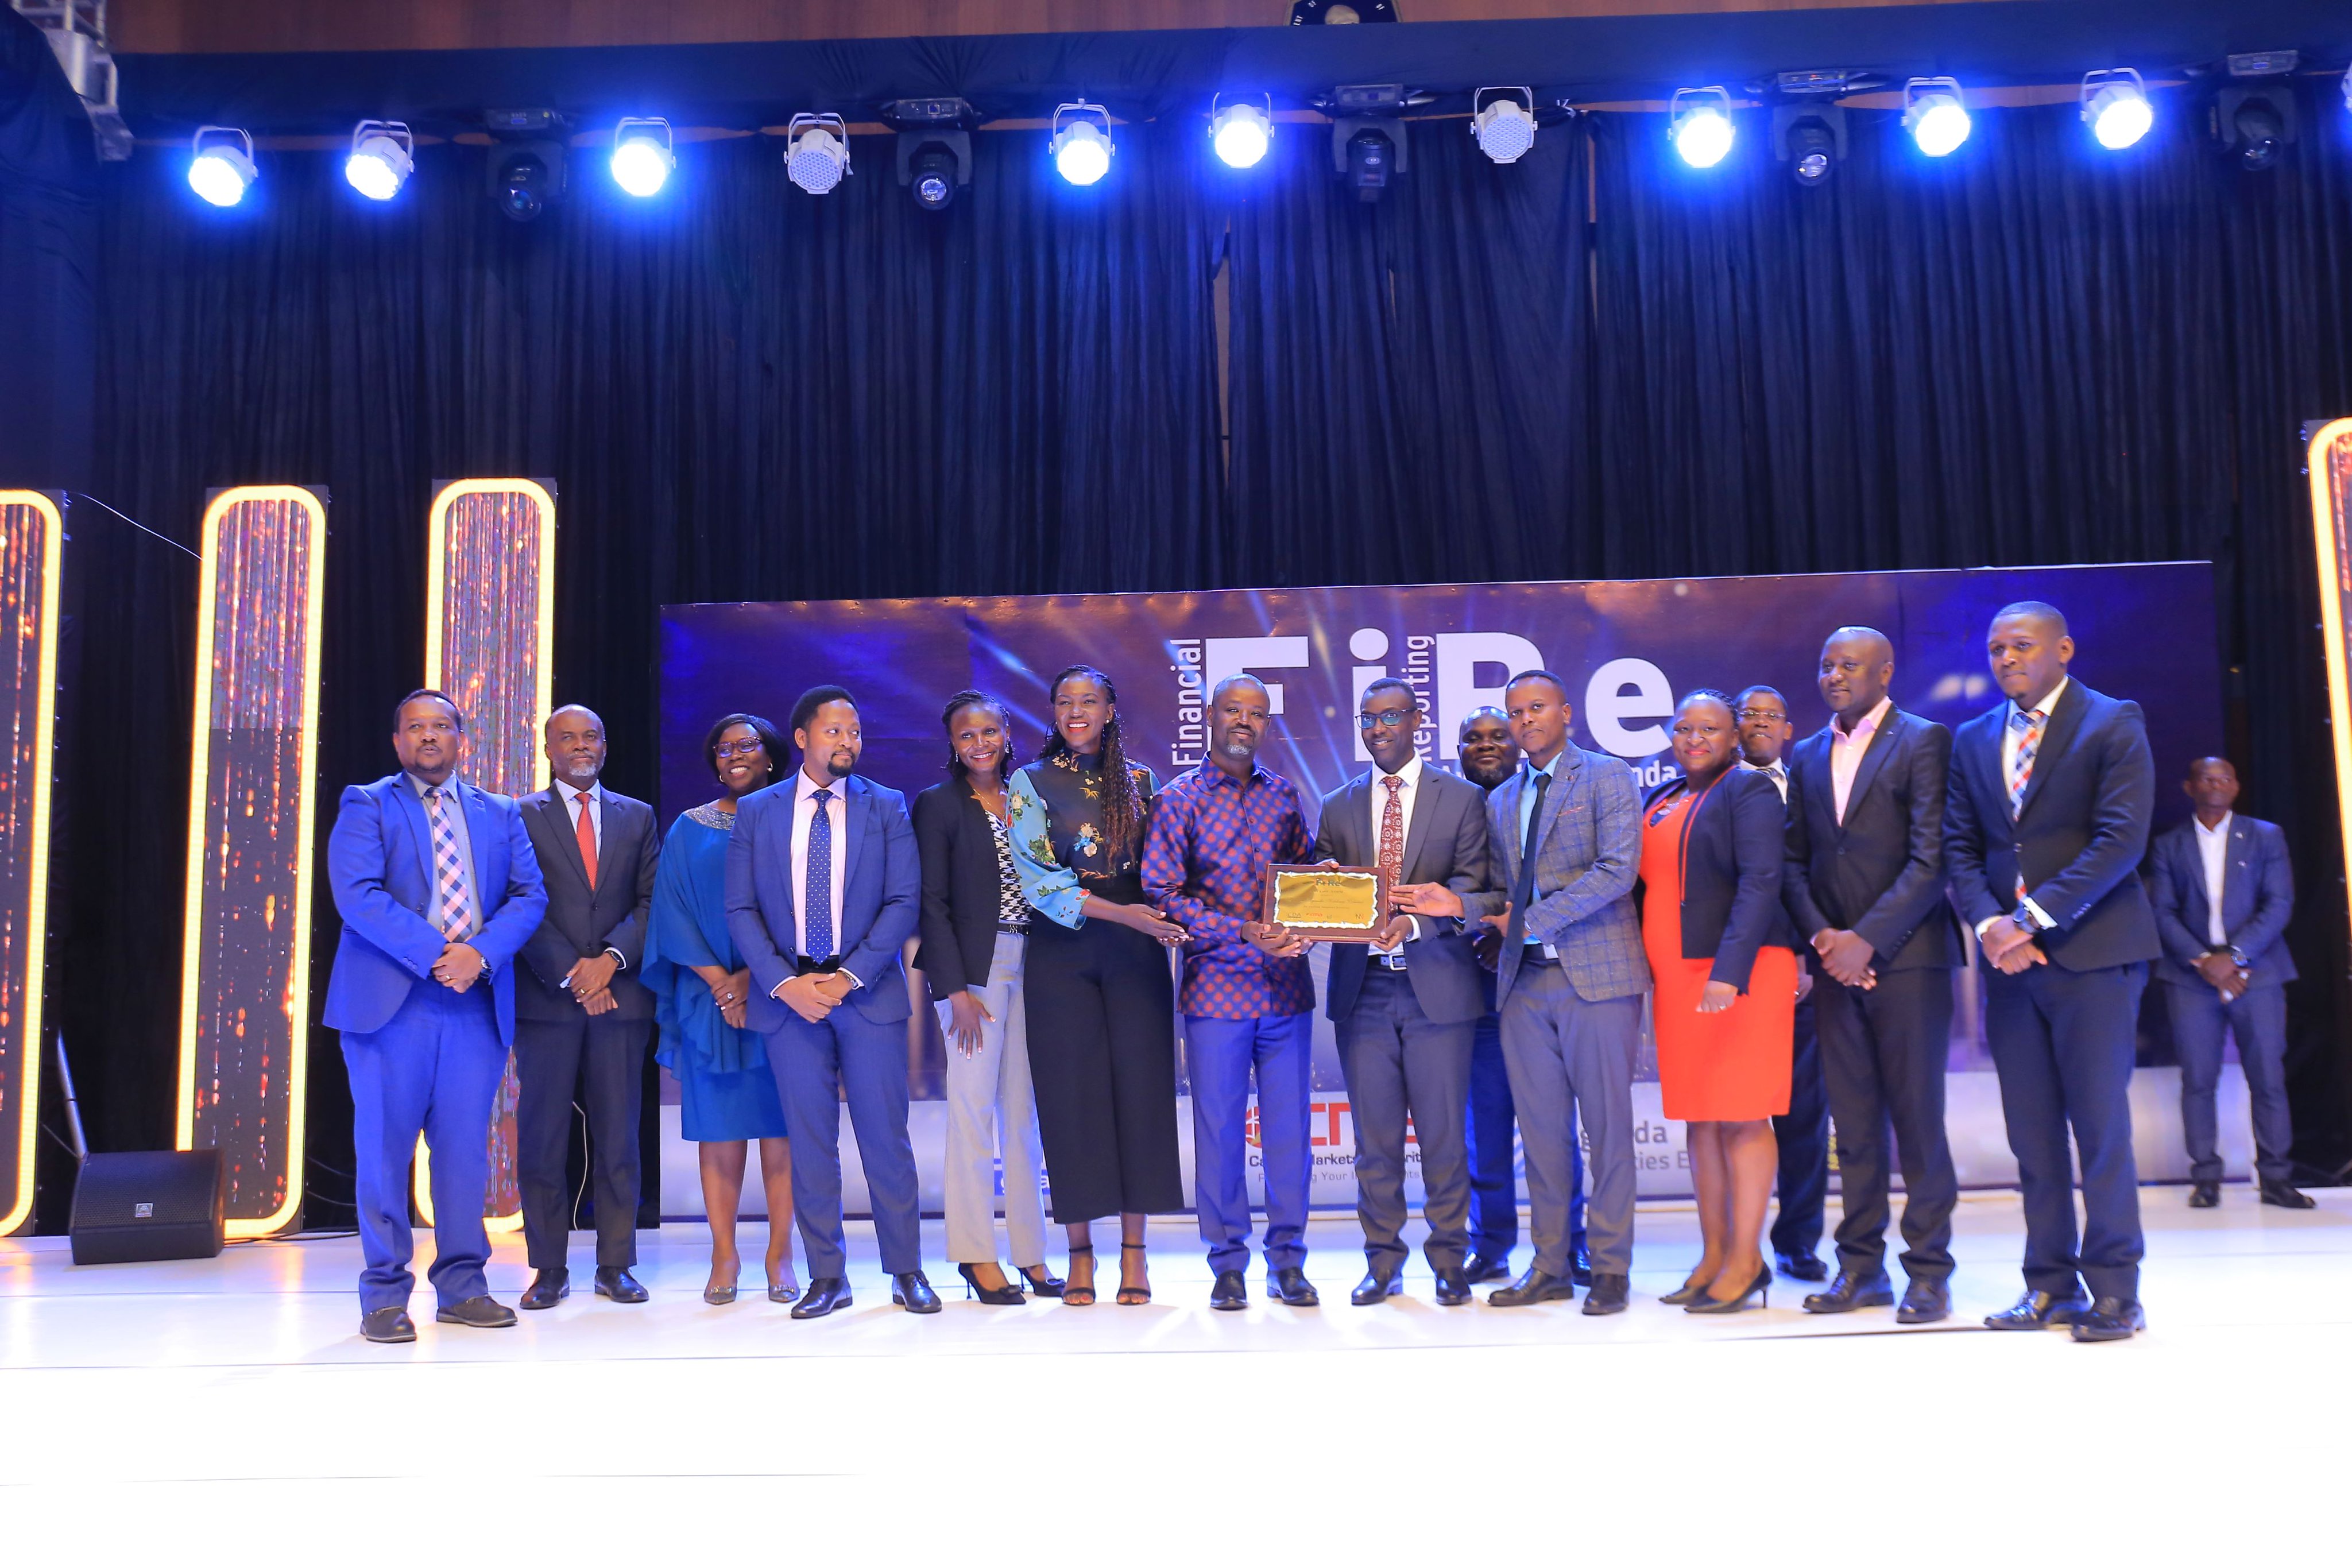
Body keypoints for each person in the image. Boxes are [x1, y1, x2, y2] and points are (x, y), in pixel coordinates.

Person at [1945, 601, 2159, 1342]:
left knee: (2099, 1130)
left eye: (2023, 645)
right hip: (2010, 967)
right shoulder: (1974, 738)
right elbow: (1960, 847)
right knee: (2032, 1136)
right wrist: (1991, 927)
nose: (2007, 657)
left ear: (2062, 648)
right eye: (1997, 647)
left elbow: (2120, 841)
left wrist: (2031, 920)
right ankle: (2049, 1286)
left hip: (2094, 956)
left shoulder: (2111, 721)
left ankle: (2114, 1292)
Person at [1413, 671, 1646, 1314]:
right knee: (1543, 1137)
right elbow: (1501, 894)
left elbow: (1615, 872)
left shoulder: (1606, 776)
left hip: (1597, 979)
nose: (1524, 720)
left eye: (1535, 707)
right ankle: (1549, 1266)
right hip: (1523, 985)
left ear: (1565, 712)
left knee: (1606, 1132)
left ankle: (1609, 1267)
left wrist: (1528, 921)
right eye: (1517, 712)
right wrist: (1453, 902)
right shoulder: (1501, 797)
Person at [323, 690, 548, 1344]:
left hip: (472, 1002)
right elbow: (357, 895)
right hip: (392, 1005)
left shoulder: (501, 811)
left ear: (461, 738)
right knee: (384, 1155)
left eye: (441, 726)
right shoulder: (367, 803)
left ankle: (463, 1286)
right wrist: (437, 954)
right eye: (416, 727)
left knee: (463, 1158)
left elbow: (528, 894)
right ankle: (385, 1296)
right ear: (398, 743)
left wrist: (477, 954)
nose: (429, 736)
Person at [725, 685, 934, 1318]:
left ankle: (906, 1271)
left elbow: (904, 901)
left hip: (865, 995)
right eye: (835, 731)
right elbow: (740, 908)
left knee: (885, 1139)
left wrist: (847, 978)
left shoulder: (886, 806)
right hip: (789, 1000)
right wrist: (786, 984)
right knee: (810, 1142)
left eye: (855, 732)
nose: (848, 741)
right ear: (803, 739)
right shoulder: (758, 811)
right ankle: (827, 1276)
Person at [1781, 630, 1964, 1323]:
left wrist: (1868, 940)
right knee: (1852, 1127)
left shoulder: (1924, 739)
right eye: (1826, 663)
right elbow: (1793, 859)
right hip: (1833, 964)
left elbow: (1931, 857)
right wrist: (1826, 938)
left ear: (1885, 672)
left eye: (1848, 665)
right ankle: (1860, 1268)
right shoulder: (1805, 753)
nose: (1833, 674)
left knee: (1917, 1124)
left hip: (1908, 960)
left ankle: (1927, 1273)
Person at [1008, 665, 1189, 1306]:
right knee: (1070, 1098)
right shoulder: (1028, 782)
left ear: (1111, 709)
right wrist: (1125, 913)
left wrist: (1159, 918)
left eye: (1089, 700)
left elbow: (1167, 870)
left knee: (1140, 1094)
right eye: (1065, 701)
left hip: (1136, 951)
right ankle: (1079, 1254)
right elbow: (1038, 881)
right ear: (1053, 711)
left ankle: (1134, 1255)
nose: (1076, 710)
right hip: (1064, 950)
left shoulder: (1142, 782)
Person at [1143, 675, 1321, 1311]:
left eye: (1257, 714)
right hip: (1216, 994)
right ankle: (1226, 1263)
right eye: (1233, 711)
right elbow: (1163, 895)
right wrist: (1244, 930)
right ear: (1209, 717)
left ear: (1266, 724)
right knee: (1220, 1132)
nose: (1244, 722)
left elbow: (1300, 881)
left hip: (1284, 994)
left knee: (1288, 1135)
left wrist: (1320, 898)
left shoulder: (1284, 796)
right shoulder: (1178, 800)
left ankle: (1289, 1262)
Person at [1314, 680, 1491, 1306]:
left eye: (1391, 716)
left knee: (1444, 1138)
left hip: (1437, 992)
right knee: (1374, 1144)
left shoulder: (1463, 799)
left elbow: (1479, 886)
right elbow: (1321, 891)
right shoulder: (1337, 804)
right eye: (1368, 717)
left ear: (1417, 720)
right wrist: (1322, 891)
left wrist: (1417, 921)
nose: (1379, 727)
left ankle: (1449, 1259)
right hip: (1361, 994)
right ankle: (1381, 1262)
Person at [1640, 691, 1800, 1315]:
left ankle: (1746, 1259)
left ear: (1734, 735)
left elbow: (1762, 881)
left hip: (1738, 976)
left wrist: (1727, 974)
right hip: (1677, 981)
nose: (1693, 738)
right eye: (1683, 727)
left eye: (1709, 727)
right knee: (1700, 1119)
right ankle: (1712, 1255)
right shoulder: (1663, 798)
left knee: (1742, 1116)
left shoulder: (1748, 790)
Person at [643, 714, 800, 1306]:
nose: (732, 754)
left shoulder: (796, 818)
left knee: (782, 1132)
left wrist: (752, 979)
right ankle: (724, 1252)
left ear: (771, 755)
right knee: (720, 1133)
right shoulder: (689, 828)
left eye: (746, 745)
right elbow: (672, 911)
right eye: (722, 747)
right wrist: (722, 984)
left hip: (782, 994)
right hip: (710, 1001)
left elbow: (803, 908)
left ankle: (781, 1254)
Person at [913, 691, 1061, 1306]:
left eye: (989, 731)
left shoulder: (1029, 797)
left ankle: (1031, 1252)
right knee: (973, 1114)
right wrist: (955, 990)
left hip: (1037, 964)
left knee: (1023, 1117)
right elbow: (931, 903)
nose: (979, 743)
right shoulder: (937, 805)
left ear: (1007, 733)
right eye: (965, 734)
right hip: (974, 972)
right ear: (952, 742)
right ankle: (976, 1255)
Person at [513, 704, 662, 1310]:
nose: (580, 746)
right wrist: (575, 971)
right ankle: (549, 1267)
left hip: (620, 1000)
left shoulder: (638, 815)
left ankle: (615, 1264)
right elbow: (518, 900)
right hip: (548, 1000)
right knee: (542, 1138)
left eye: (591, 736)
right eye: (567, 737)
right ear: (548, 748)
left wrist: (611, 961)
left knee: (618, 1136)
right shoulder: (517, 815)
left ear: (604, 745)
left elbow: (653, 901)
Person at [1454, 708, 1585, 1284]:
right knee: (1483, 1128)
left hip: (1538, 980)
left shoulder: (1537, 799)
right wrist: (1482, 936)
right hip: (1475, 994)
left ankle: (1572, 1243)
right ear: (1456, 749)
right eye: (1472, 738)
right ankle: (1491, 1243)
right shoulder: (1451, 806)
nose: (1485, 746)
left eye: (1496, 736)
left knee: (1553, 1125)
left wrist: (1513, 937)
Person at [2149, 757, 2310, 1209]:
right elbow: (2163, 912)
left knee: (2269, 1078)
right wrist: (2206, 961)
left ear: (2236, 786)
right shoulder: (2169, 845)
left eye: (2225, 778)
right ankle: (2206, 1178)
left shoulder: (2265, 836)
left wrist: (2236, 958)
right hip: (2191, 976)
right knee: (2199, 1079)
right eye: (2206, 777)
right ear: (2189, 786)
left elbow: (2279, 903)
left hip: (2256, 974)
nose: (2216, 784)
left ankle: (2277, 1179)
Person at [1732, 684, 1830, 1285]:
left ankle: (1797, 1240)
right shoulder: (1711, 793)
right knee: (1736, 1117)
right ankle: (1734, 1245)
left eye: (1773, 715)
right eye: (1750, 714)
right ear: (1734, 726)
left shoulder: (1812, 789)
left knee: (1803, 1116)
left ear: (1788, 730)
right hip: (1736, 979)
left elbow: (1817, 877)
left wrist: (1806, 951)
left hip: (1805, 980)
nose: (1762, 723)